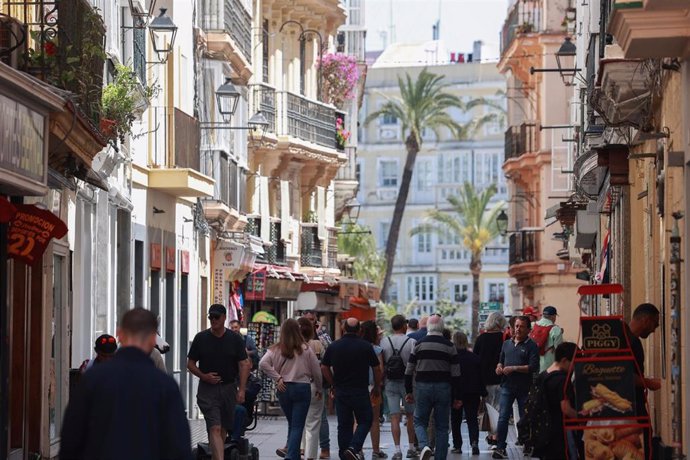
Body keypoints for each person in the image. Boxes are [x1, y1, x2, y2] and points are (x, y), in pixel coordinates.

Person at [60, 308, 191, 459]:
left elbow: (71, 437)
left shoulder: (93, 379)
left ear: (120, 335)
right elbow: (179, 446)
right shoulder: (165, 386)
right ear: (152, 339)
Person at [187, 304, 250, 460]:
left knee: (222, 429)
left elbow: (244, 364)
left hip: (228, 388)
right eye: (210, 317)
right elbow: (190, 364)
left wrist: (241, 390)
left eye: (216, 317)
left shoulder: (234, 339)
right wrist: (204, 376)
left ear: (223, 318)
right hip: (207, 390)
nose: (213, 320)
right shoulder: (201, 338)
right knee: (214, 427)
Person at [260, 318, 323, 460]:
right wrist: (319, 388)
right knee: (297, 425)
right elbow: (317, 372)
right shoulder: (306, 349)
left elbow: (263, 363)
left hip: (284, 388)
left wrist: (277, 378)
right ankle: (292, 456)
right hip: (302, 388)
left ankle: (292, 453)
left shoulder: (275, 349)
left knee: (292, 423)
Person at [321, 318, 381, 460]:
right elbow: (377, 368)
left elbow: (324, 367)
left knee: (344, 424)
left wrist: (333, 383)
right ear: (359, 330)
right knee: (366, 420)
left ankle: (344, 453)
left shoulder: (334, 346)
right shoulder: (366, 346)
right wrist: (377, 385)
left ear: (343, 329)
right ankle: (354, 447)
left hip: (341, 391)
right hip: (360, 390)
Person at [404, 315, 462, 460]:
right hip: (444, 388)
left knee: (419, 421)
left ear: (428, 327)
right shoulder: (450, 346)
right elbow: (456, 374)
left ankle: (424, 446)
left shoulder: (418, 344)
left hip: (422, 388)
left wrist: (409, 391)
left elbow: (409, 370)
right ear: (442, 328)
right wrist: (457, 396)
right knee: (442, 426)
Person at [492, 316, 540, 459]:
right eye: (516, 326)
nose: (518, 329)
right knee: (503, 417)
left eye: (521, 326)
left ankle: (527, 444)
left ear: (528, 329)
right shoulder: (506, 344)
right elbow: (500, 361)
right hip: (507, 385)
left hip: (524, 387)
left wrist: (514, 368)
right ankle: (500, 447)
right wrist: (499, 367)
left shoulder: (532, 346)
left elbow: (533, 367)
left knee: (525, 417)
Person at [531, 342, 578, 459]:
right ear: (564, 360)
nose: (574, 367)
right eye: (573, 363)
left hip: (543, 431)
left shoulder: (543, 375)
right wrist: (582, 418)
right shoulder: (562, 380)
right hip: (559, 432)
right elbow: (565, 408)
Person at [626, 303, 662, 457]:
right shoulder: (631, 342)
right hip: (632, 405)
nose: (654, 329)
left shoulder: (626, 338)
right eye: (655, 324)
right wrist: (649, 383)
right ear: (646, 320)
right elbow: (625, 375)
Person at [381, 315, 417, 460]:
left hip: (390, 382)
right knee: (410, 416)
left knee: (395, 416)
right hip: (408, 383)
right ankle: (411, 448)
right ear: (403, 326)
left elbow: (382, 363)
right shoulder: (412, 341)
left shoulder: (384, 341)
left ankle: (397, 451)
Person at [473, 311, 507, 447]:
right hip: (501, 378)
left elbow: (475, 360)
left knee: (488, 408)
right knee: (499, 409)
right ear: (500, 323)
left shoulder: (481, 339)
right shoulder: (504, 338)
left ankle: (491, 436)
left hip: (485, 380)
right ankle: (496, 437)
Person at [302, 310, 332, 459]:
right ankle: (302, 448)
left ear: (316, 321)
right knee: (302, 416)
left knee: (321, 416)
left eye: (312, 319)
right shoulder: (296, 337)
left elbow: (329, 356)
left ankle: (324, 448)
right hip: (301, 382)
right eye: (307, 319)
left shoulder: (322, 337)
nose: (310, 322)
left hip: (317, 382)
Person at [451, 331, 484, 456]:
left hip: (456, 393)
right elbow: (480, 377)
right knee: (472, 419)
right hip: (473, 393)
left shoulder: (452, 359)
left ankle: (457, 445)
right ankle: (474, 442)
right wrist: (483, 393)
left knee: (456, 420)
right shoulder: (474, 358)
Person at [298, 317, 326, 460]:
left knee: (297, 421)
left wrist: (278, 379)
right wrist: (320, 388)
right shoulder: (316, 345)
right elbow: (321, 368)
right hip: (312, 385)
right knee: (313, 424)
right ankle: (310, 456)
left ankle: (300, 450)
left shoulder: (288, 346)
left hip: (294, 386)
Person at [361, 320, 387, 459]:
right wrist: (377, 386)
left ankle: (357, 449)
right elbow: (380, 370)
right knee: (374, 420)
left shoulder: (357, 348)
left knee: (357, 420)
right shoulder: (377, 350)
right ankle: (376, 451)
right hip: (373, 388)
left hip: (358, 388)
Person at [531, 306, 563, 372]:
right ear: (553, 316)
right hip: (547, 365)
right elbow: (560, 351)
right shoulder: (555, 329)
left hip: (532, 362)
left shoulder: (533, 325)